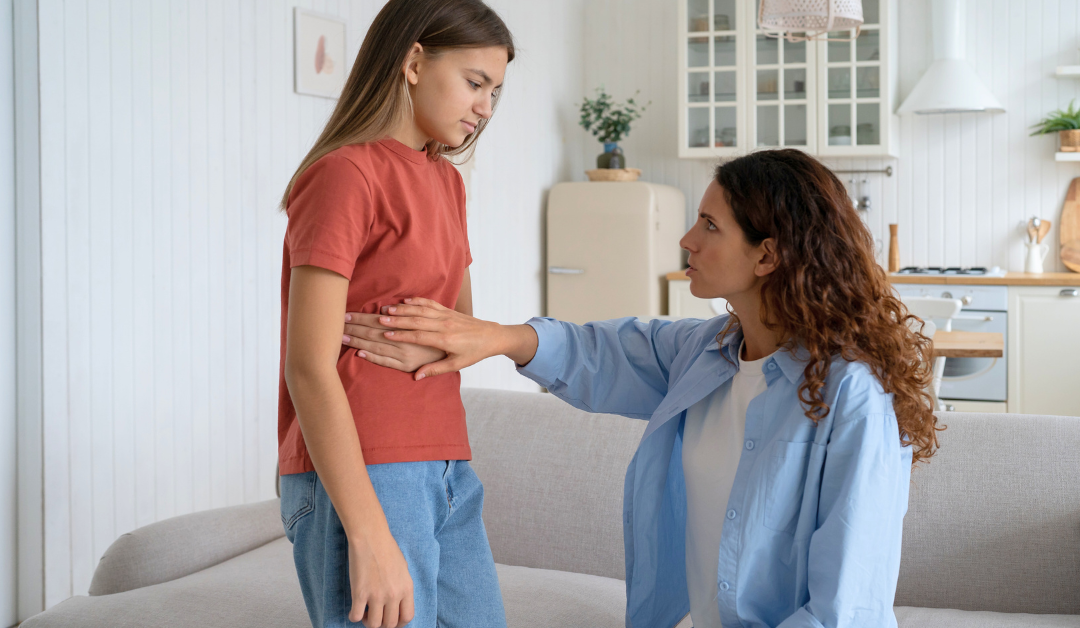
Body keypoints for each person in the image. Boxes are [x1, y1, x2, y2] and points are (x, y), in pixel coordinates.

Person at [343, 149, 941, 628]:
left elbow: (846, 612)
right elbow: (599, 351)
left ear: (768, 255)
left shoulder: (852, 396)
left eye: (710, 225)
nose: (687, 240)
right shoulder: (705, 354)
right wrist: (492, 337)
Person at [277, 1, 513, 627]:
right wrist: (369, 534)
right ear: (413, 61)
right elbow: (307, 366)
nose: (486, 107)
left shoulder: (447, 184)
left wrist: (438, 342)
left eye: (495, 91)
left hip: (445, 461)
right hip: (367, 466)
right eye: (474, 83)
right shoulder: (345, 174)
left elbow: (460, 326)